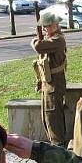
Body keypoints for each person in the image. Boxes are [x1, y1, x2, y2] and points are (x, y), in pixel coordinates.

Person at [31, 12, 67, 146]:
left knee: (53, 117)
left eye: (47, 26)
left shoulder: (58, 40)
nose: (45, 28)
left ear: (56, 25)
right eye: (43, 26)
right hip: (48, 83)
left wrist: (35, 40)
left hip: (54, 84)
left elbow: (38, 47)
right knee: (47, 117)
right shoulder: (50, 38)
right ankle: (54, 142)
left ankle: (59, 146)